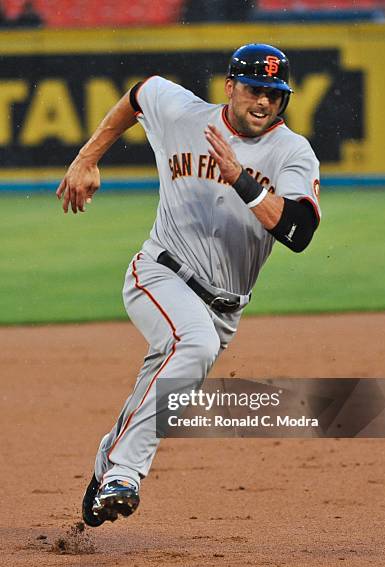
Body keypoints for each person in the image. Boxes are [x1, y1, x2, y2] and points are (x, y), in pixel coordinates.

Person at [57, 43, 321, 527]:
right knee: (192, 343)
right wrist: (86, 158)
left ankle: (103, 476)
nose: (263, 101)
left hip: (225, 309)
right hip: (160, 272)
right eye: (253, 89)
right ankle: (127, 473)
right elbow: (140, 94)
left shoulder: (292, 151)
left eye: (274, 93)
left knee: (167, 374)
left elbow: (300, 232)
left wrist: (243, 181)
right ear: (229, 87)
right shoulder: (184, 113)